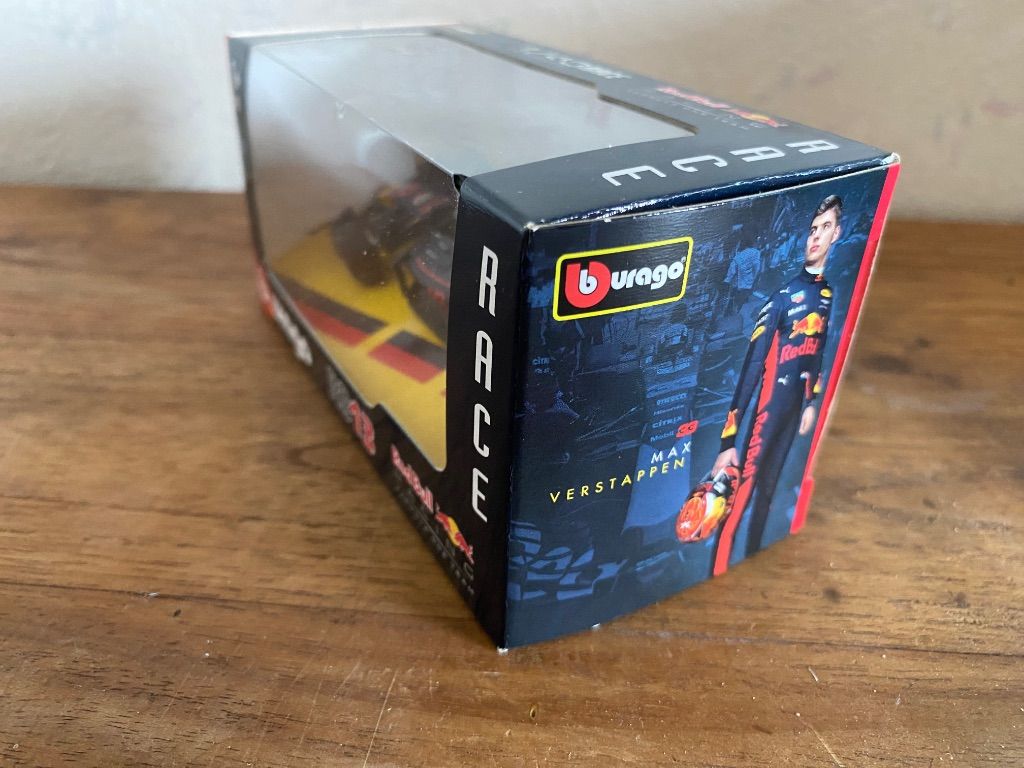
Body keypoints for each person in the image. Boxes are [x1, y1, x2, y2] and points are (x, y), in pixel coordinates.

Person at [705, 194, 842, 576]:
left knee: (767, 495)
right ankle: (716, 574)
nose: (816, 237)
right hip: (766, 414)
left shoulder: (827, 294)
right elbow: (751, 370)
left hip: (794, 410)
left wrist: (812, 401)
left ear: (837, 233)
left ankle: (753, 564)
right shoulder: (780, 299)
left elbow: (818, 352)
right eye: (812, 230)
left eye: (825, 228)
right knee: (739, 501)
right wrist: (728, 443)